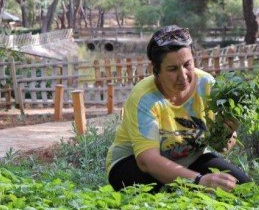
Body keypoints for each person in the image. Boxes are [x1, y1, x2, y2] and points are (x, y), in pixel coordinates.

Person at [106, 25, 251, 192]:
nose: (183, 76)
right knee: (165, 192)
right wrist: (199, 181)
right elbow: (147, 160)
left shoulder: (207, 85)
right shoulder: (144, 98)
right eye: (172, 69)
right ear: (156, 71)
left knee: (244, 187)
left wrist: (227, 134)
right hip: (133, 164)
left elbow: (222, 147)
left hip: (189, 160)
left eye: (187, 65)